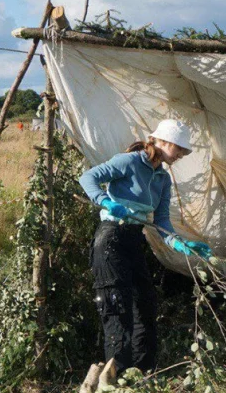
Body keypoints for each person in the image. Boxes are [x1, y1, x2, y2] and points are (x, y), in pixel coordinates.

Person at [79, 119, 211, 373]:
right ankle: (114, 377)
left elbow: (161, 221)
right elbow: (88, 177)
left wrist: (181, 243)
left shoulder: (162, 179)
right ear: (162, 142)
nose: (182, 154)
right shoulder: (128, 161)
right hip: (110, 239)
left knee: (145, 305)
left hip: (134, 239)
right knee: (118, 309)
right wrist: (106, 202)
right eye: (179, 148)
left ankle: (141, 374)